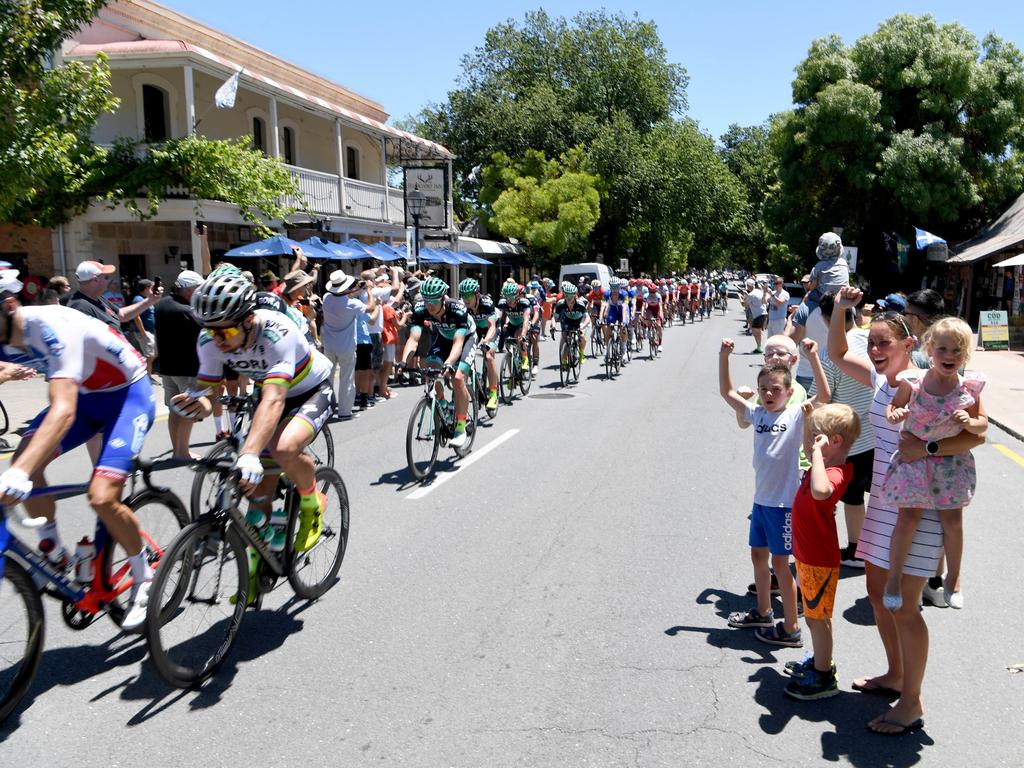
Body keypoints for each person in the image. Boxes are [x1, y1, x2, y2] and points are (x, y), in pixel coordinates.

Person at [828, 285, 985, 735]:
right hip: (884, 500)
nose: (875, 349)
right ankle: (896, 675)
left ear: (909, 345)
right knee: (879, 595)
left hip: (921, 504)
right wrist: (842, 308)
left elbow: (976, 434)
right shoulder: (883, 382)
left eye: (884, 343)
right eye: (872, 342)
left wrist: (929, 446)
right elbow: (838, 352)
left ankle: (912, 702)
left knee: (906, 607)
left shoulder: (927, 376)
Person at [0, 270, 156, 629]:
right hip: (87, 399)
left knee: (102, 497)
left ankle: (143, 576)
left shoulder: (52, 326)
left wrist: (21, 472)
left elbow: (63, 410)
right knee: (26, 452)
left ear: (9, 305)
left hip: (126, 397)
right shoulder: (4, 332)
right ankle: (53, 551)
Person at [172, 271, 335, 557]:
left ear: (248, 321)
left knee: (283, 448)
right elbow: (210, 393)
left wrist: (248, 452)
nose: (218, 340)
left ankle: (312, 503)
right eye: (212, 331)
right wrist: (200, 404)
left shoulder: (276, 332)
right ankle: (258, 564)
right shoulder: (209, 340)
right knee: (256, 491)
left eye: (227, 332)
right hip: (270, 389)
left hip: (309, 389)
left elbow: (274, 400)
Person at [718, 335, 831, 648]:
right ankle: (764, 611)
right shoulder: (758, 414)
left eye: (776, 389)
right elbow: (727, 392)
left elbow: (824, 394)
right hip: (762, 501)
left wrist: (814, 356)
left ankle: (792, 627)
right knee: (758, 556)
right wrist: (724, 356)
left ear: (789, 392)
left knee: (781, 563)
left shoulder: (795, 415)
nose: (768, 394)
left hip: (783, 504)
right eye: (764, 389)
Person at [880, 317, 986, 610]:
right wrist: (894, 415)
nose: (949, 356)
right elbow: (894, 408)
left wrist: (971, 421)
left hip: (951, 465)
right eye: (942, 349)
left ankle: (953, 579)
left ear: (965, 355)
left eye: (957, 351)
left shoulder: (969, 389)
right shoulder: (913, 382)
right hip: (914, 463)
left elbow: (982, 426)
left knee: (953, 522)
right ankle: (894, 578)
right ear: (929, 349)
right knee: (908, 519)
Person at [783, 402, 859, 700]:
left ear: (834, 442)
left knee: (817, 618)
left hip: (819, 561)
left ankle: (824, 675)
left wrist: (816, 452)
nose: (811, 442)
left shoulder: (836, 471)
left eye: (818, 437)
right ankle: (818, 662)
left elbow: (820, 491)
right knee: (813, 616)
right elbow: (806, 450)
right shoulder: (824, 463)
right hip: (806, 557)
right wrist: (806, 422)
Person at [816, 293, 875, 568]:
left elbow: (823, 397)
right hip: (877, 431)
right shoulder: (870, 342)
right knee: (875, 493)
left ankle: (856, 550)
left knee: (851, 497)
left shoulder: (831, 354)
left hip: (850, 439)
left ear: (828, 320)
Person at [400, 277, 476, 448]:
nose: (430, 305)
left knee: (457, 378)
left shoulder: (457, 308)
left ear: (443, 298)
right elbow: (413, 338)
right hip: (442, 338)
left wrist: (449, 363)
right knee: (429, 371)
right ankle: (443, 404)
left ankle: (461, 427)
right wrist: (403, 362)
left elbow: (458, 342)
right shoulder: (420, 309)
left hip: (465, 339)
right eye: (427, 300)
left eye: (434, 301)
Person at [154, 270, 204, 460]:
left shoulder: (162, 304)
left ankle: (177, 449)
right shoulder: (187, 311)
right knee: (188, 410)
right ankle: (182, 452)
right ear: (190, 291)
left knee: (174, 410)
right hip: (187, 368)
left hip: (167, 367)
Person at [321, 270, 375, 420]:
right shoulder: (352, 304)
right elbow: (370, 307)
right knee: (346, 379)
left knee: (328, 379)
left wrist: (354, 289)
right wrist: (368, 291)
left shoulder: (326, 298)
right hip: (346, 346)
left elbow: (340, 295)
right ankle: (345, 411)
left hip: (329, 345)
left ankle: (326, 409)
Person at [65, 260, 162, 329]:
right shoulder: (80, 307)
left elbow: (122, 315)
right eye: (106, 277)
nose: (109, 280)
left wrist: (150, 300)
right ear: (95, 280)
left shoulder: (98, 298)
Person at [459, 278, 499, 415]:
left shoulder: (486, 302)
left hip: (490, 330)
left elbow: (492, 326)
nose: (466, 299)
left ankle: (493, 392)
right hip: (474, 332)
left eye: (469, 296)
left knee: (488, 355)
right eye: (463, 296)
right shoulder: (462, 307)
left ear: (476, 295)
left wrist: (485, 341)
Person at [806, 232, 850, 307]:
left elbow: (813, 286)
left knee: (810, 295)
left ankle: (809, 315)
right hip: (842, 296)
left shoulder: (819, 266)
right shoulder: (844, 263)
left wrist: (809, 287)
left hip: (825, 298)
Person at [553, 281, 590, 368]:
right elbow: (554, 318)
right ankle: (565, 360)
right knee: (566, 337)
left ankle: (581, 352)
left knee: (581, 336)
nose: (568, 298)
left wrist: (583, 325)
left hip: (579, 320)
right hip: (568, 319)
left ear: (575, 295)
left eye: (571, 295)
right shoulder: (561, 304)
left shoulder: (580, 304)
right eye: (566, 295)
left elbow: (587, 318)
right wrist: (553, 326)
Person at [128, 279, 157, 376]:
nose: (153, 290)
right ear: (146, 288)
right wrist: (143, 332)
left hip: (150, 331)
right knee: (150, 355)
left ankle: (148, 374)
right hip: (144, 332)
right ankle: (147, 376)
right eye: (152, 288)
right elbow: (136, 316)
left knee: (152, 354)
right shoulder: (138, 299)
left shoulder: (147, 299)